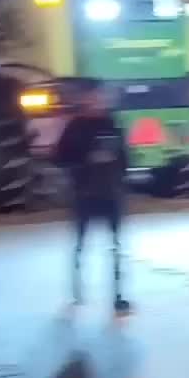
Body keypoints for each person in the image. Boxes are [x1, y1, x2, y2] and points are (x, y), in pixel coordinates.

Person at [53, 81, 132, 315]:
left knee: (116, 248)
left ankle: (118, 296)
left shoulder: (112, 123)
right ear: (84, 99)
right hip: (84, 195)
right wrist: (84, 162)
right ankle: (77, 293)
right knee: (80, 246)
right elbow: (59, 158)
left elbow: (126, 158)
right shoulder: (74, 127)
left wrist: (118, 175)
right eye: (92, 98)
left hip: (111, 195)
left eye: (100, 97)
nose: (96, 102)